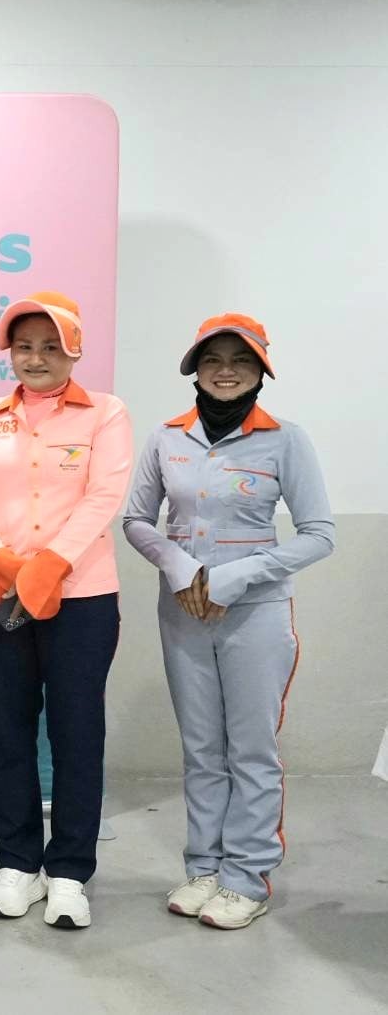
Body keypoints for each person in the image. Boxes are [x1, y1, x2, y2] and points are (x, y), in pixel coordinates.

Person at [124, 313, 333, 930]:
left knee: (251, 749)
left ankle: (247, 877)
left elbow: (320, 535)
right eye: (213, 359)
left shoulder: (286, 440)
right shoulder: (166, 437)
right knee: (200, 748)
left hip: (256, 614)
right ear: (195, 369)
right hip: (184, 611)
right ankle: (204, 868)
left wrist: (236, 576)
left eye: (240, 360)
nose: (225, 371)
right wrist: (178, 565)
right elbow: (136, 521)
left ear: (260, 371)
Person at [0, 292, 132, 929]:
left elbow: (105, 494)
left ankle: (70, 872)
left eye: (51, 347)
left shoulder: (105, 413)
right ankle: (17, 865)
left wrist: (51, 565)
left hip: (82, 599)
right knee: (8, 732)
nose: (36, 358)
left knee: (77, 735)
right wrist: (0, 563)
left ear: (74, 350)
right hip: (0, 599)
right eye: (24, 347)